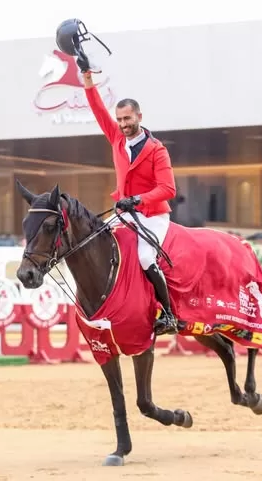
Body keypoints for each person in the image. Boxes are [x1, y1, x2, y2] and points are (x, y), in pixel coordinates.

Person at [78, 54, 178, 335]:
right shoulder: (116, 137)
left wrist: (137, 199)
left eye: (127, 119)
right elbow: (98, 109)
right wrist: (87, 80)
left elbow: (168, 189)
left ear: (139, 117)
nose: (123, 124)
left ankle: (168, 315)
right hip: (124, 214)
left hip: (152, 216)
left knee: (145, 258)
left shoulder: (157, 149)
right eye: (120, 119)